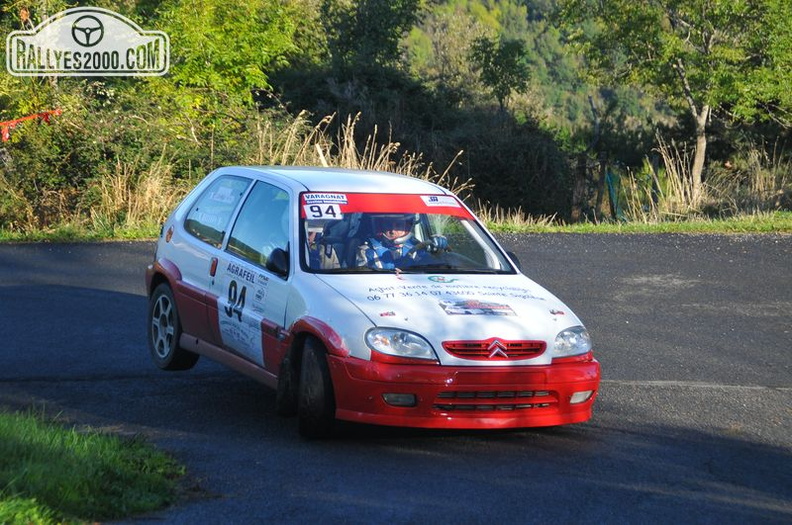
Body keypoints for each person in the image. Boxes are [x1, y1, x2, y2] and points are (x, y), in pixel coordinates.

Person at [357, 214, 447, 269]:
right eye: (388, 225)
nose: (392, 231)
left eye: (398, 226)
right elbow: (363, 281)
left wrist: (438, 253)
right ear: (382, 227)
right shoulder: (367, 251)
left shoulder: (418, 248)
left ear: (406, 228)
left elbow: (430, 271)